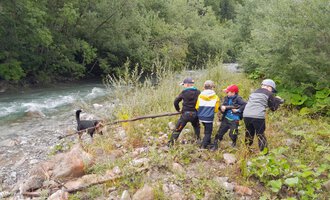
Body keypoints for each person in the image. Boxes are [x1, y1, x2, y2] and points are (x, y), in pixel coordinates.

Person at [243, 79, 283, 154]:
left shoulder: (254, 92)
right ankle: (265, 154)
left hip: (246, 115)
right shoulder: (269, 94)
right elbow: (273, 108)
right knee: (260, 134)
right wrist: (277, 100)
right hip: (258, 116)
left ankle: (246, 149)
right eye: (272, 90)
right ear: (269, 87)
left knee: (249, 132)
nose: (272, 92)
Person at [211, 84, 246, 151]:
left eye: (228, 92)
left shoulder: (238, 98)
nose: (226, 93)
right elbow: (224, 105)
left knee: (233, 134)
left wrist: (238, 110)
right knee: (220, 132)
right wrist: (222, 108)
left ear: (233, 93)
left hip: (234, 119)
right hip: (226, 118)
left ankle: (234, 143)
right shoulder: (227, 98)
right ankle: (215, 145)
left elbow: (245, 104)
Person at [168, 77, 201, 146]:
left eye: (184, 84)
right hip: (195, 114)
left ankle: (170, 144)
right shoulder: (198, 92)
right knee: (196, 127)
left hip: (185, 114)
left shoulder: (184, 92)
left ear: (187, 84)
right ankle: (198, 140)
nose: (183, 86)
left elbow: (176, 101)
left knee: (178, 129)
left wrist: (178, 109)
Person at [195, 80, 220, 149]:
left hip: (201, 116)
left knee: (206, 128)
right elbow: (216, 109)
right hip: (209, 117)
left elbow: (197, 107)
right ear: (212, 87)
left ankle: (208, 142)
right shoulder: (215, 97)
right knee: (208, 132)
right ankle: (203, 146)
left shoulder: (200, 95)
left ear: (204, 87)